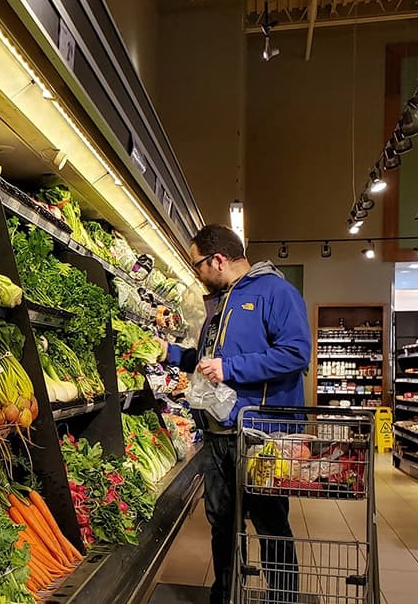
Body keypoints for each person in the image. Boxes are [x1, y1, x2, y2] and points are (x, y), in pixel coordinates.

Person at [160, 224, 310, 604]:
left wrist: (232, 369)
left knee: (270, 524)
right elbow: (210, 361)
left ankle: (282, 599)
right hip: (218, 433)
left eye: (197, 265)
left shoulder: (275, 292)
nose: (197, 274)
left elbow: (296, 353)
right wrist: (171, 354)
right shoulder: (222, 302)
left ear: (218, 259)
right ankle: (225, 593)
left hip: (262, 434)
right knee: (221, 523)